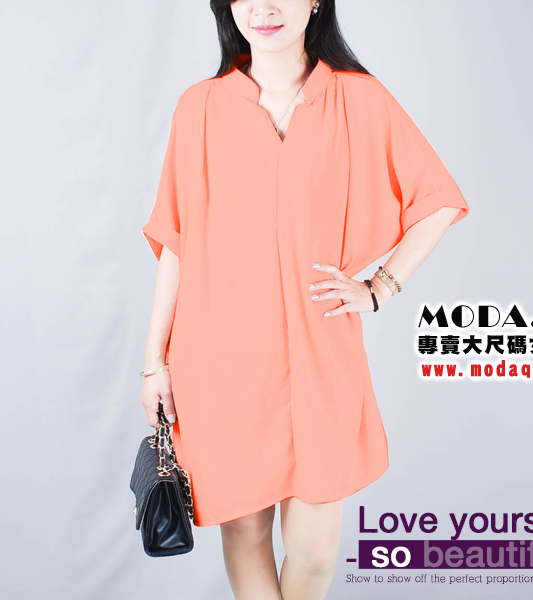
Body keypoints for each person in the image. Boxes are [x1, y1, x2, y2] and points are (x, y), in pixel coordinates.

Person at [139, 1, 469, 598]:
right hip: (219, 354)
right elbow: (175, 244)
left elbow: (437, 201)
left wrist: (380, 287)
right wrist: (153, 362)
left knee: (314, 554)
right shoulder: (200, 107)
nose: (264, 8)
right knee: (245, 535)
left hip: (320, 353)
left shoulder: (357, 98)